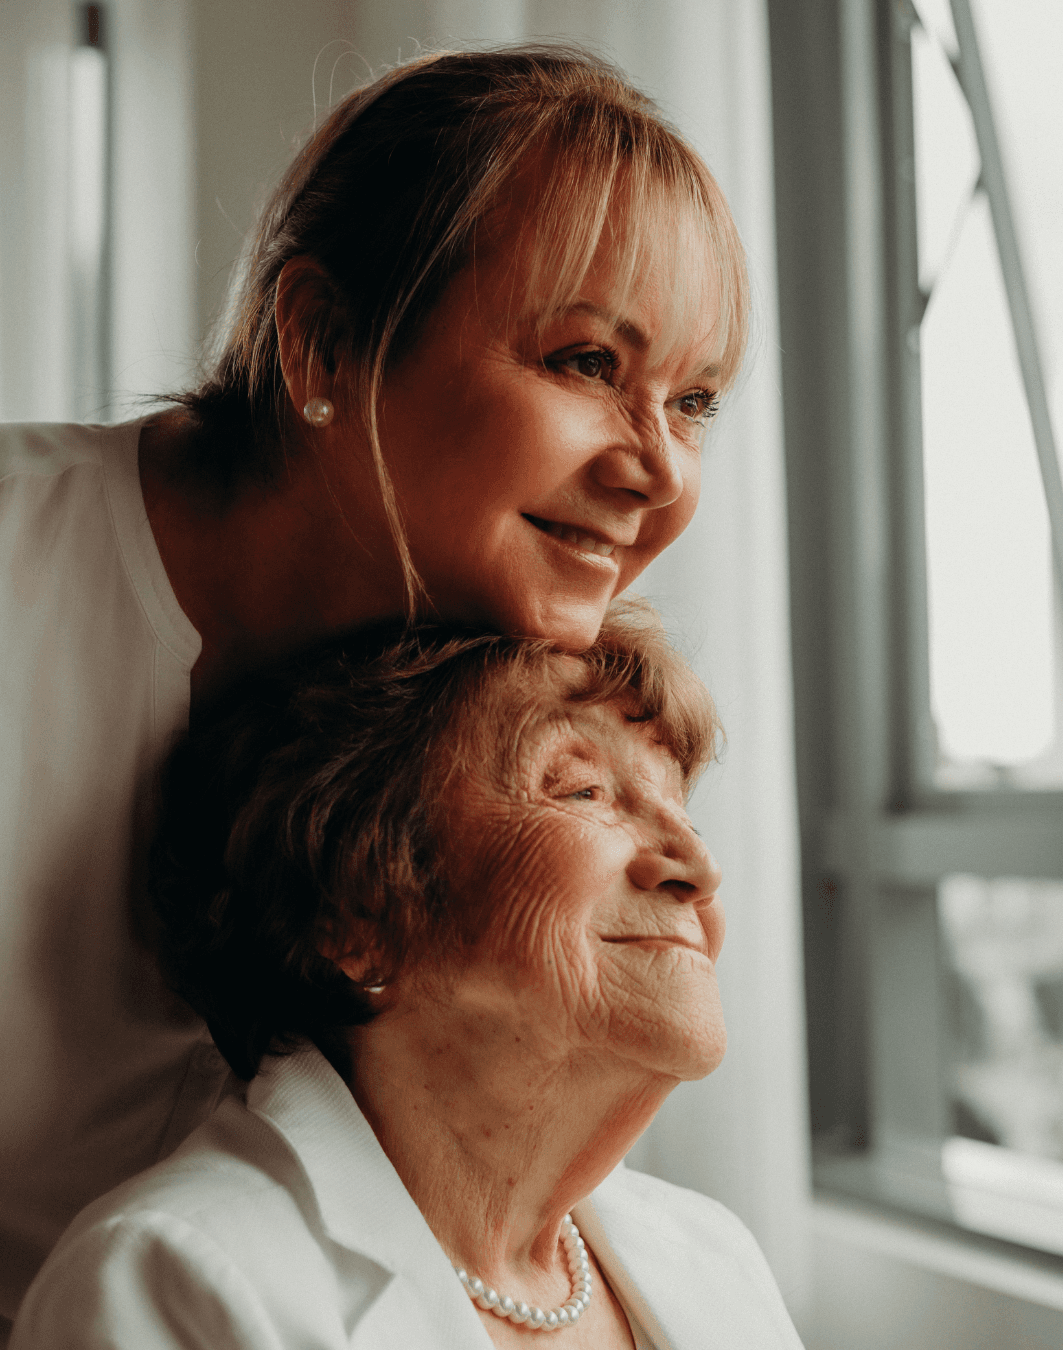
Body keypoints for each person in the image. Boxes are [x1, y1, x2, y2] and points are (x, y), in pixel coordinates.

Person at [0, 43, 750, 1331]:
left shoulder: (507, 687)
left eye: (692, 402)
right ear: (321, 341)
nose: (659, 474)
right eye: (585, 363)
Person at [11, 605, 804, 1349]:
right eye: (585, 791)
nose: (697, 867)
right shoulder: (168, 1284)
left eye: (685, 814)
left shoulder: (717, 1254)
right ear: (356, 916)